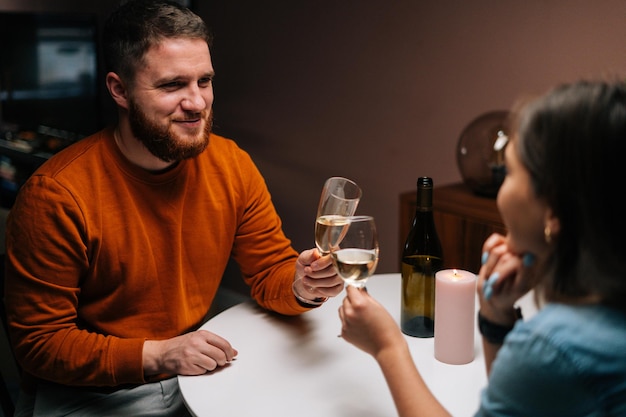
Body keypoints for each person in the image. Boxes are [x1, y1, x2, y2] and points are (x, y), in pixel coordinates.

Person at [3, 1, 343, 415]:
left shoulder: (231, 163)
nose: (197, 103)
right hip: (94, 392)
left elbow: (270, 269)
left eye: (205, 81)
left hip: (195, 368)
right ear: (119, 90)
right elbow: (41, 345)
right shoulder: (56, 195)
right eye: (172, 85)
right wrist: (162, 354)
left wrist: (301, 285)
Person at [338, 79, 626, 416]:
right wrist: (496, 318)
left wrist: (388, 347)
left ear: (554, 211)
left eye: (510, 173)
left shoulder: (554, 348)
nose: (501, 189)